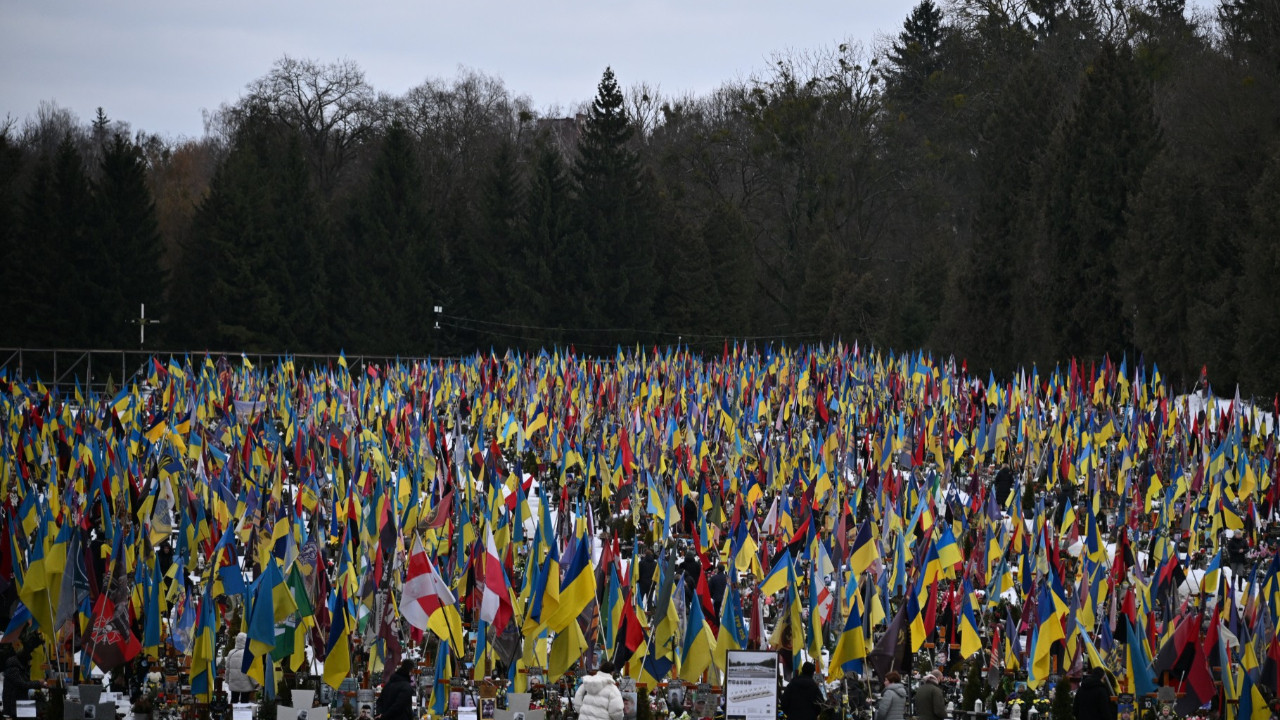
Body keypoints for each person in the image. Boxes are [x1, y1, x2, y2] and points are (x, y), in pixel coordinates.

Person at [224, 633, 258, 703]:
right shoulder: (248, 653)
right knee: (244, 702)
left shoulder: (231, 653)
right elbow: (250, 671)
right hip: (246, 684)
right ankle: (243, 713)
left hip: (234, 683)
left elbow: (227, 669)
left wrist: (227, 680)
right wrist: (255, 683)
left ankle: (232, 713)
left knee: (234, 700)